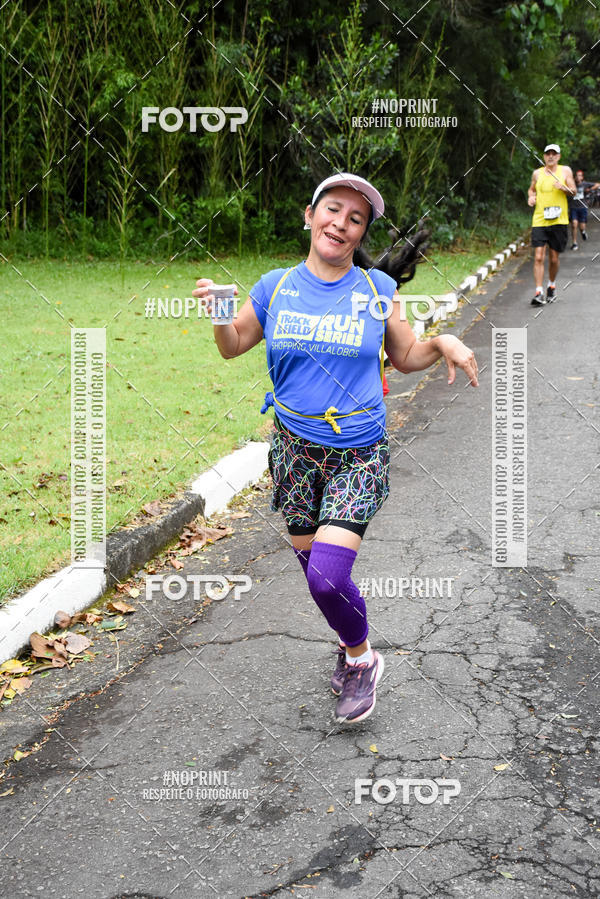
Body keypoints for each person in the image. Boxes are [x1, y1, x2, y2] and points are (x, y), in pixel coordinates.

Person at [193, 173, 478, 724]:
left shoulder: (376, 291)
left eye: (355, 218)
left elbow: (405, 356)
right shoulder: (275, 286)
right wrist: (218, 313)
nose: (340, 223)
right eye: (332, 210)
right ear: (309, 215)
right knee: (316, 575)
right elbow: (232, 348)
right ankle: (351, 647)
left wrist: (441, 341)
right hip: (295, 452)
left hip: (357, 453)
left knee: (326, 575)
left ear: (360, 233)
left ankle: (362, 658)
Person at [528, 143, 576, 306]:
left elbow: (574, 190)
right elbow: (531, 189)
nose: (550, 156)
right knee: (539, 256)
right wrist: (531, 197)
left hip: (559, 220)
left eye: (554, 154)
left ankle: (551, 286)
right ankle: (538, 292)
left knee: (554, 259)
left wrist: (564, 188)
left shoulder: (565, 171)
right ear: (544, 156)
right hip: (540, 219)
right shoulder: (537, 173)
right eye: (548, 153)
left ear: (558, 157)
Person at [569, 170, 600, 250]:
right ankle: (574, 243)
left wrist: (590, 189)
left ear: (582, 177)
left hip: (582, 207)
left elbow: (597, 184)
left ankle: (583, 232)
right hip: (573, 208)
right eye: (576, 175)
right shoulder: (571, 184)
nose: (578, 177)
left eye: (579, 175)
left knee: (582, 227)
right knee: (574, 224)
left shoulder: (585, 184)